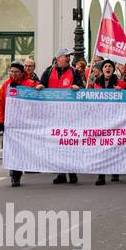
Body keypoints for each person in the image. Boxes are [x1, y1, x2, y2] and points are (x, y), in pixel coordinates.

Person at [43, 50, 83, 184]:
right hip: (53, 114)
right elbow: (41, 84)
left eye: (69, 56)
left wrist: (78, 87)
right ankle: (61, 173)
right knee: (57, 145)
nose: (68, 58)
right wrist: (39, 86)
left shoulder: (74, 72)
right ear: (59, 58)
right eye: (66, 56)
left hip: (70, 115)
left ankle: (72, 172)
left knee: (69, 144)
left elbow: (82, 88)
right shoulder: (48, 71)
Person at [0, 61, 40, 186]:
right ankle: (15, 175)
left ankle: (24, 168)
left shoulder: (30, 83)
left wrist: (39, 88)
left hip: (26, 123)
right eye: (12, 72)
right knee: (11, 148)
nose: (14, 74)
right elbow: (1, 104)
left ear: (22, 73)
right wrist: (0, 121)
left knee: (24, 148)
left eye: (17, 72)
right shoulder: (6, 86)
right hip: (11, 124)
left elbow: (38, 94)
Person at [91, 61, 122, 185]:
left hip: (116, 118)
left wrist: (121, 91)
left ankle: (115, 171)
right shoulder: (96, 83)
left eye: (110, 66)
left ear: (113, 69)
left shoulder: (120, 82)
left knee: (114, 145)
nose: (108, 68)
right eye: (105, 66)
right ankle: (101, 175)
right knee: (101, 146)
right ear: (102, 69)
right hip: (101, 118)